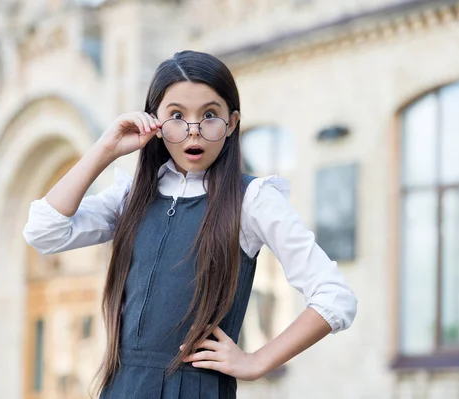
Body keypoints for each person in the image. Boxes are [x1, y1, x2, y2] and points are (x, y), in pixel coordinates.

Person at [23, 50, 357, 398]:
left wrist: (257, 362)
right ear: (155, 122)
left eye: (210, 115)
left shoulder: (251, 200)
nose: (193, 131)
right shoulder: (131, 197)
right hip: (123, 387)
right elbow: (44, 231)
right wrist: (106, 148)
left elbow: (335, 297)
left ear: (232, 123)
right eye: (177, 115)